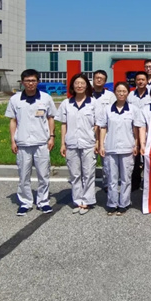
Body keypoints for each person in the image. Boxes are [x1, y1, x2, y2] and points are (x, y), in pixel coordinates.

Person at [5, 69, 57, 216]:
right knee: (23, 175)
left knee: (43, 174)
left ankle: (43, 202)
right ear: (22, 82)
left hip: (42, 142)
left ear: (38, 82)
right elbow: (13, 120)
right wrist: (13, 140)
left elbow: (51, 118)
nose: (30, 83)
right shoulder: (15, 99)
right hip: (23, 143)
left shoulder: (46, 98)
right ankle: (25, 202)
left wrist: (52, 136)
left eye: (33, 80)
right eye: (27, 81)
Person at [98, 82, 146, 216]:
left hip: (127, 148)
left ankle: (124, 203)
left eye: (124, 91)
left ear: (128, 93)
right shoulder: (107, 109)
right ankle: (112, 203)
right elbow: (103, 128)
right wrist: (101, 145)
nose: (121, 93)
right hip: (110, 147)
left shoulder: (133, 109)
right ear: (115, 92)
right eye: (119, 91)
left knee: (126, 178)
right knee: (111, 178)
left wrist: (136, 145)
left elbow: (136, 129)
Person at [57, 73, 99, 215]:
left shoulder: (93, 103)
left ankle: (87, 201)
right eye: (77, 83)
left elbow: (98, 124)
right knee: (74, 174)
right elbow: (64, 124)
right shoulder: (66, 103)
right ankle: (78, 200)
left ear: (87, 86)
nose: (79, 86)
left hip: (88, 143)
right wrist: (62, 144)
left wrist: (97, 142)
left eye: (82, 83)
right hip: (71, 143)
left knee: (88, 173)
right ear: (72, 86)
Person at [92, 70, 115, 192]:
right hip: (89, 133)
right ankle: (88, 185)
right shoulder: (87, 95)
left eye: (101, 78)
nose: (99, 80)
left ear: (105, 81)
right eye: (97, 77)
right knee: (90, 162)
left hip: (105, 132)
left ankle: (107, 184)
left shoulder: (110, 96)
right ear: (93, 79)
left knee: (106, 161)